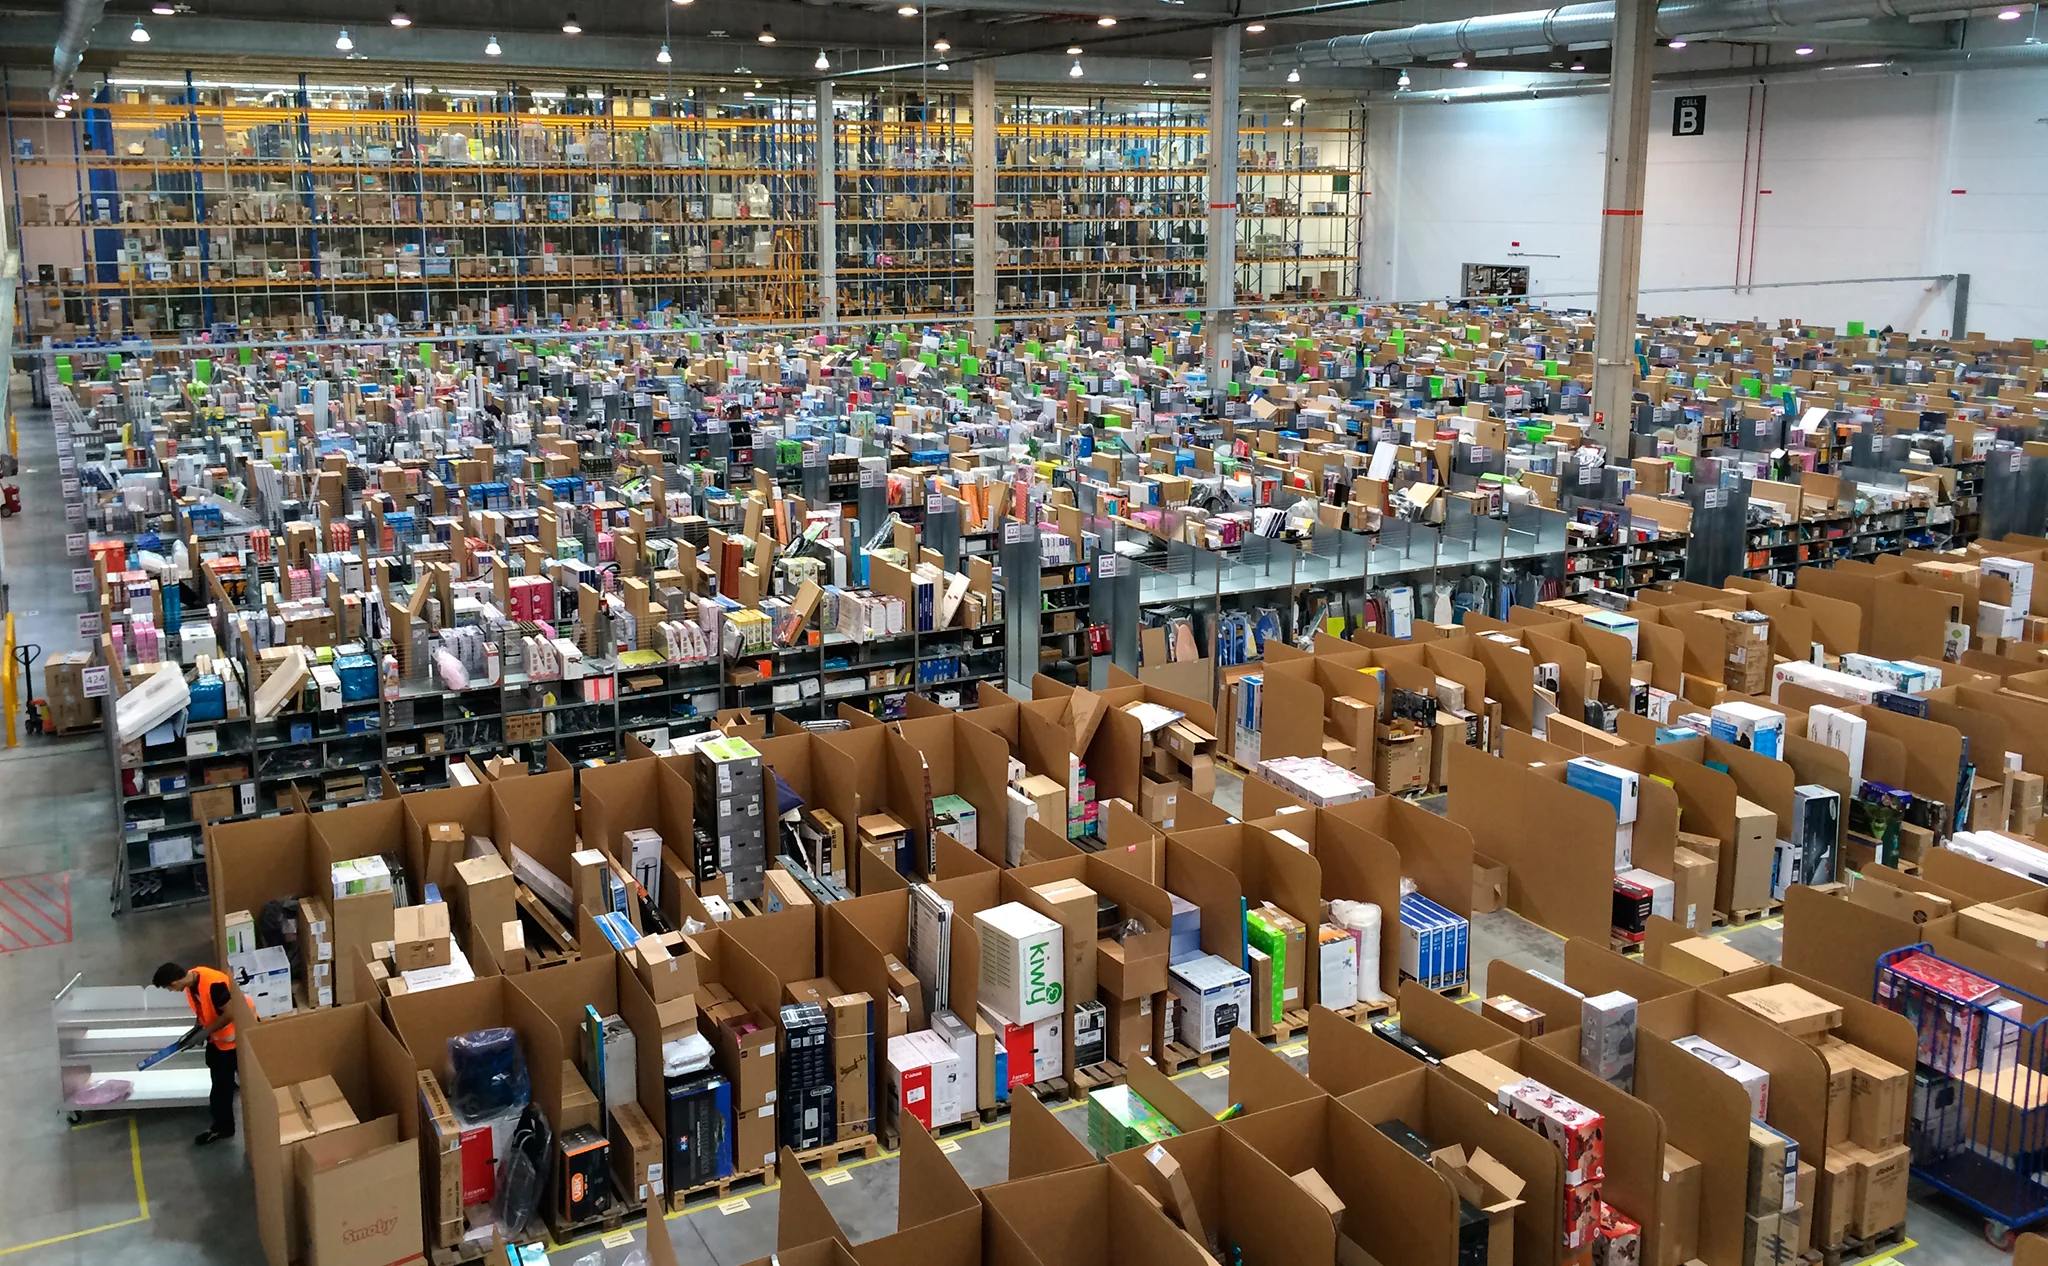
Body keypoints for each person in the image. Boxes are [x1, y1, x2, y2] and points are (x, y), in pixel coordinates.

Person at [154, 961, 238, 1144]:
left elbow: (230, 1013)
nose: (171, 991)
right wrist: (194, 1031)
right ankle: (222, 1120)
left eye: (169, 988)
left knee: (221, 1089)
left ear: (174, 982)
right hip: (219, 1039)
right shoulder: (192, 982)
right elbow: (204, 1011)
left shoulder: (213, 984)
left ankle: (223, 1127)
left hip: (234, 1039)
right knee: (217, 1075)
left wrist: (205, 1033)